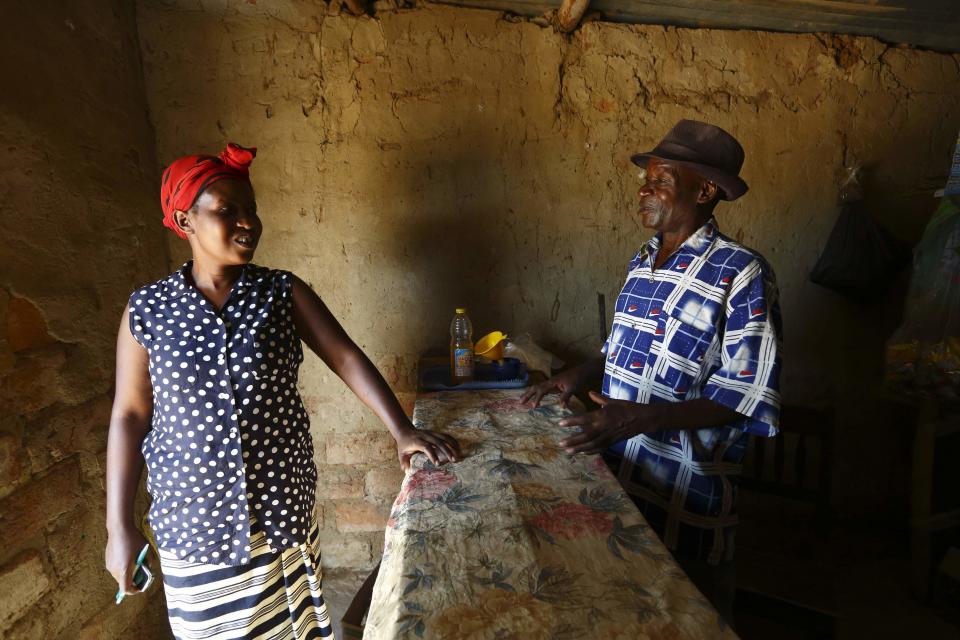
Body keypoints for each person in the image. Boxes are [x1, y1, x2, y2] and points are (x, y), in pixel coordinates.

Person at [104, 143, 461, 639]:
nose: (248, 222)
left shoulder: (281, 291)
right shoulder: (148, 309)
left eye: (251, 210)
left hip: (279, 506)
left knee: (292, 629)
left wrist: (402, 430)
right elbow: (129, 416)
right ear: (185, 221)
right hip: (193, 516)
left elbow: (345, 356)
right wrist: (117, 527)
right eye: (227, 211)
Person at [521, 120, 782, 622]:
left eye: (661, 180)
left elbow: (745, 395)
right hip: (623, 481)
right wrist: (575, 375)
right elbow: (618, 351)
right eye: (646, 179)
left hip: (686, 496)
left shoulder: (741, 271)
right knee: (624, 612)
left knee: (690, 618)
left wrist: (637, 420)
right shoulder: (642, 263)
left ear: (705, 191)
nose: (645, 190)